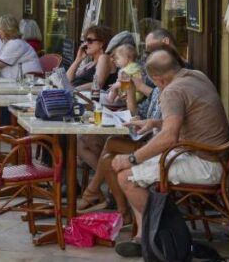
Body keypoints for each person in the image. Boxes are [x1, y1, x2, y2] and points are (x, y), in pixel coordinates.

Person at [110, 50, 229, 258]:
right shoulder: (196, 76)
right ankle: (146, 237)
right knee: (134, 171)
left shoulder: (172, 91)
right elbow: (186, 119)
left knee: (126, 177)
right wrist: (154, 123)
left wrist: (131, 158)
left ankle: (170, 236)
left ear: (159, 79)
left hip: (204, 164)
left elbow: (168, 138)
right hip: (209, 157)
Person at [77, 29, 185, 212]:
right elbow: (139, 111)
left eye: (150, 50)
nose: (146, 56)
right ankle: (109, 203)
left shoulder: (174, 78)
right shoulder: (159, 76)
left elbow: (168, 129)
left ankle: (100, 197)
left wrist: (141, 87)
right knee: (104, 148)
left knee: (109, 154)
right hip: (148, 133)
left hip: (158, 144)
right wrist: (130, 91)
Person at [0, 14, 42, 79]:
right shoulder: (3, 42)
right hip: (12, 80)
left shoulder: (16, 43)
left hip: (27, 82)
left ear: (6, 29)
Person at [67, 25, 117, 90]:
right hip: (77, 96)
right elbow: (67, 80)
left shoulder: (104, 58)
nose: (85, 44)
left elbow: (98, 84)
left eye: (89, 40)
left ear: (102, 43)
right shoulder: (90, 63)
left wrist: (74, 90)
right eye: (85, 41)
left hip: (90, 98)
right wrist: (78, 59)